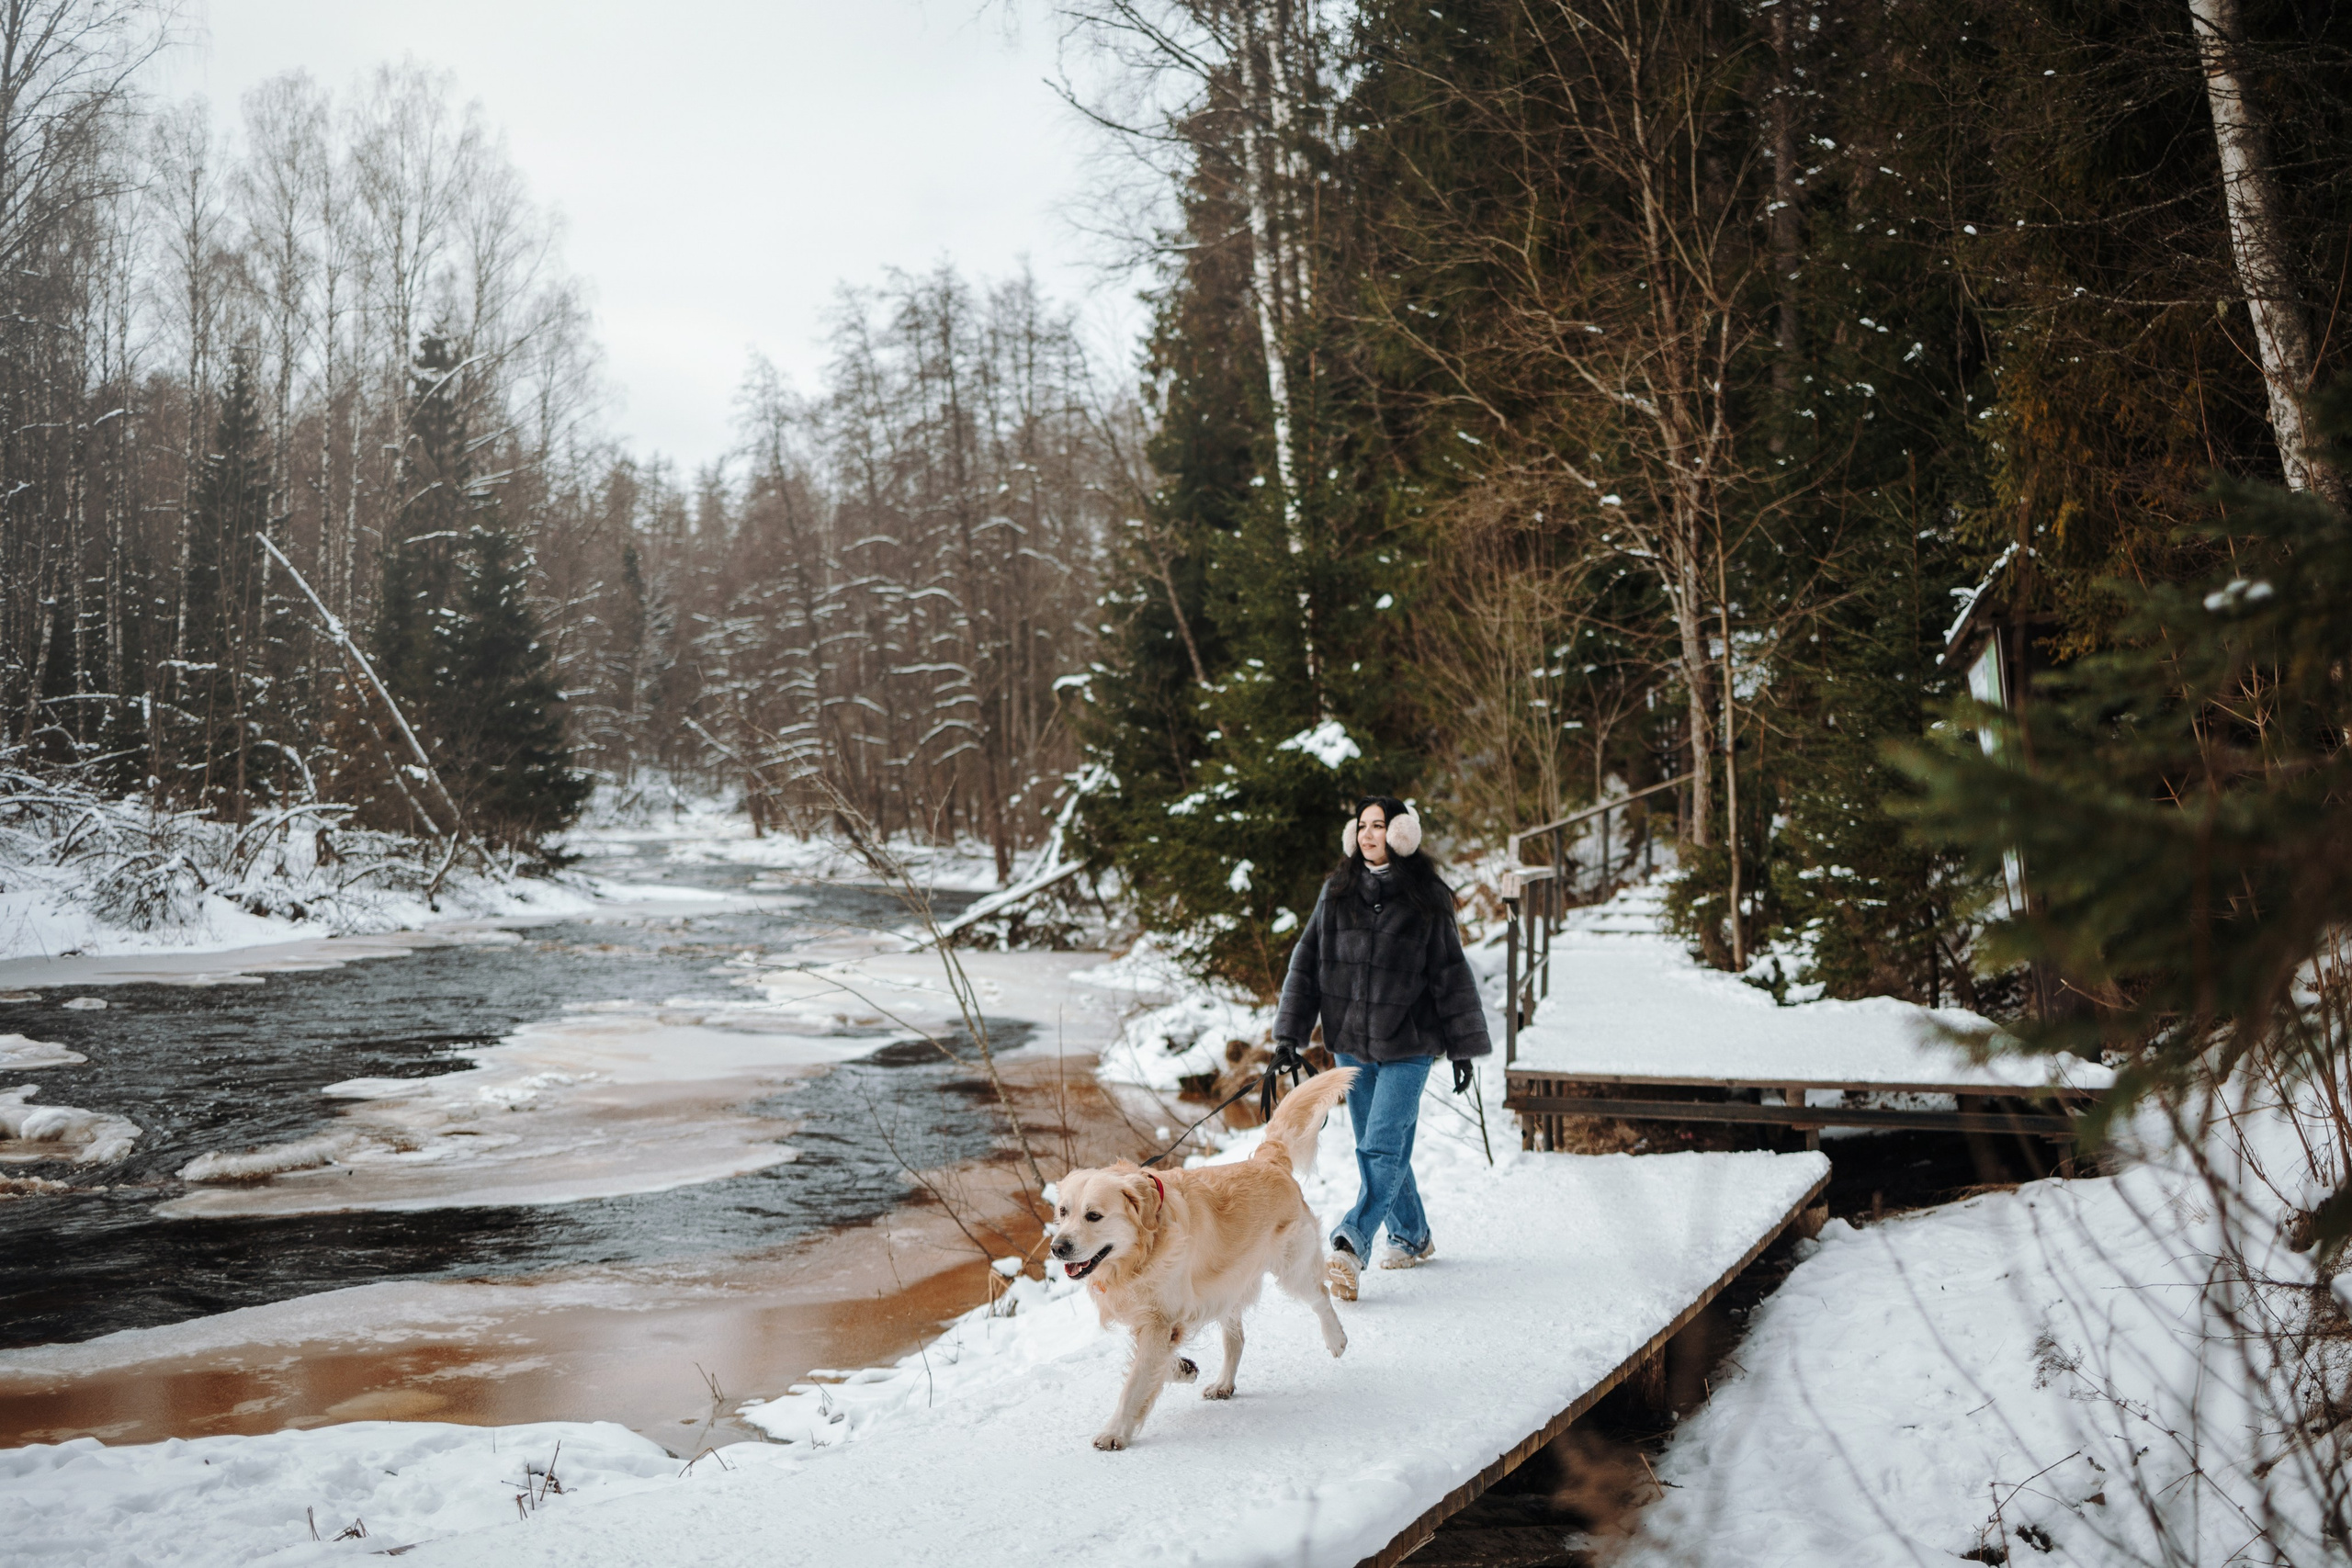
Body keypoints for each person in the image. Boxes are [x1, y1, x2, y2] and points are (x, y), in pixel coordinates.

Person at [1271, 795, 1491, 1302]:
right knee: (1379, 1147)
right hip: (1350, 1044)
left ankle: (1351, 1243)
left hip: (1410, 1044)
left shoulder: (1428, 897)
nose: (1370, 834)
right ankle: (1412, 1235)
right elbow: (1306, 964)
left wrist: (1461, 1049)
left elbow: (1451, 974)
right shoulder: (1337, 891)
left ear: (1402, 835)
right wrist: (1290, 1035)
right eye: (1363, 826)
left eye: (1380, 826)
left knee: (1382, 1145)